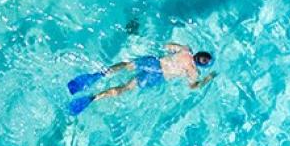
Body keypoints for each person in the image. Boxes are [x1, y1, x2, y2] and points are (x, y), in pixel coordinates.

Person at [68, 43, 216, 114]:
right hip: (157, 77)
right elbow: (193, 86)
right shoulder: (193, 71)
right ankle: (93, 98)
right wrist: (208, 78)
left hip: (154, 63)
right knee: (126, 87)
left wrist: (171, 51)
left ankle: (99, 75)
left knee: (126, 65)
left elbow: (167, 46)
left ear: (197, 53)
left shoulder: (186, 50)